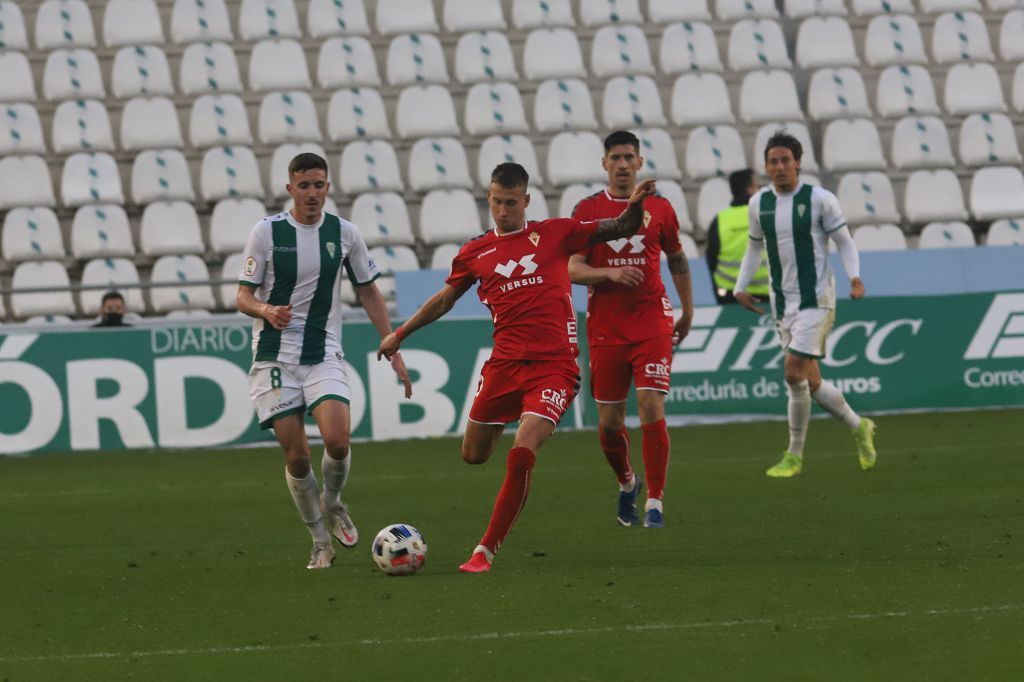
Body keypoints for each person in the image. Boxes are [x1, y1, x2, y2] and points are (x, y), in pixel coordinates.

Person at [377, 162, 657, 573]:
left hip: (554, 367)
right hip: (505, 366)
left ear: (526, 200)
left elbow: (619, 227)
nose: (503, 211)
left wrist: (634, 206)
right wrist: (400, 334)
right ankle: (617, 475)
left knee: (522, 451)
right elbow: (444, 300)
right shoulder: (475, 252)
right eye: (496, 202)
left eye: (511, 203)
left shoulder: (557, 232)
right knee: (473, 455)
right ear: (488, 199)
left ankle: (484, 551)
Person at [236, 152, 412, 569]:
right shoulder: (266, 232)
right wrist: (265, 311)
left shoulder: (345, 233)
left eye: (319, 185)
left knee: (337, 440)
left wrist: (393, 343)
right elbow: (242, 295)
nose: (312, 193)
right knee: (296, 456)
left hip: (323, 351)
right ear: (289, 189)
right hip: (274, 356)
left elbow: (368, 291)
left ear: (328, 187)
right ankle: (319, 540)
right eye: (304, 186)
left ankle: (332, 502)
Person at [567, 130, 694, 529]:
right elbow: (571, 267)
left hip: (651, 319)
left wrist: (686, 308)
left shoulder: (661, 208)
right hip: (606, 326)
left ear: (640, 163)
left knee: (652, 406)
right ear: (604, 164)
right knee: (609, 424)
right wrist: (608, 273)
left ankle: (655, 499)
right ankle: (628, 482)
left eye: (629, 158)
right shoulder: (586, 210)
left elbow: (677, 257)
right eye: (615, 157)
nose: (622, 164)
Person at [733, 132, 877, 477]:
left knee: (793, 373)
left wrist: (854, 277)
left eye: (786, 160)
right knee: (810, 383)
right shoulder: (759, 204)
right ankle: (860, 427)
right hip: (783, 302)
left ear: (798, 163)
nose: (780, 167)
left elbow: (844, 241)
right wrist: (740, 287)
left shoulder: (820, 199)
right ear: (766, 167)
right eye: (773, 161)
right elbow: (755, 247)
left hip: (817, 299)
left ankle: (794, 454)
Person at [705, 169, 770, 305]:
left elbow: (711, 261)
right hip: (767, 295)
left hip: (731, 297)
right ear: (750, 189)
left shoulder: (719, 220)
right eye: (757, 186)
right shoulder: (766, 215)